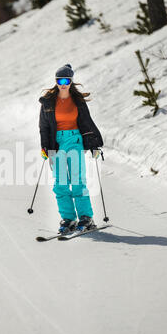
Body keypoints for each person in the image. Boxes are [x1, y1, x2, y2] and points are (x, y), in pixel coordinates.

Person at [39, 63, 104, 235]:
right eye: (60, 80)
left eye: (66, 80)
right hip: (56, 143)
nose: (63, 83)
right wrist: (44, 147)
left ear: (71, 81)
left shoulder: (78, 101)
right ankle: (68, 218)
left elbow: (87, 122)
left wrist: (94, 144)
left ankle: (85, 217)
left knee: (77, 181)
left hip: (75, 141)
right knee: (60, 183)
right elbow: (43, 126)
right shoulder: (48, 101)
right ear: (56, 81)